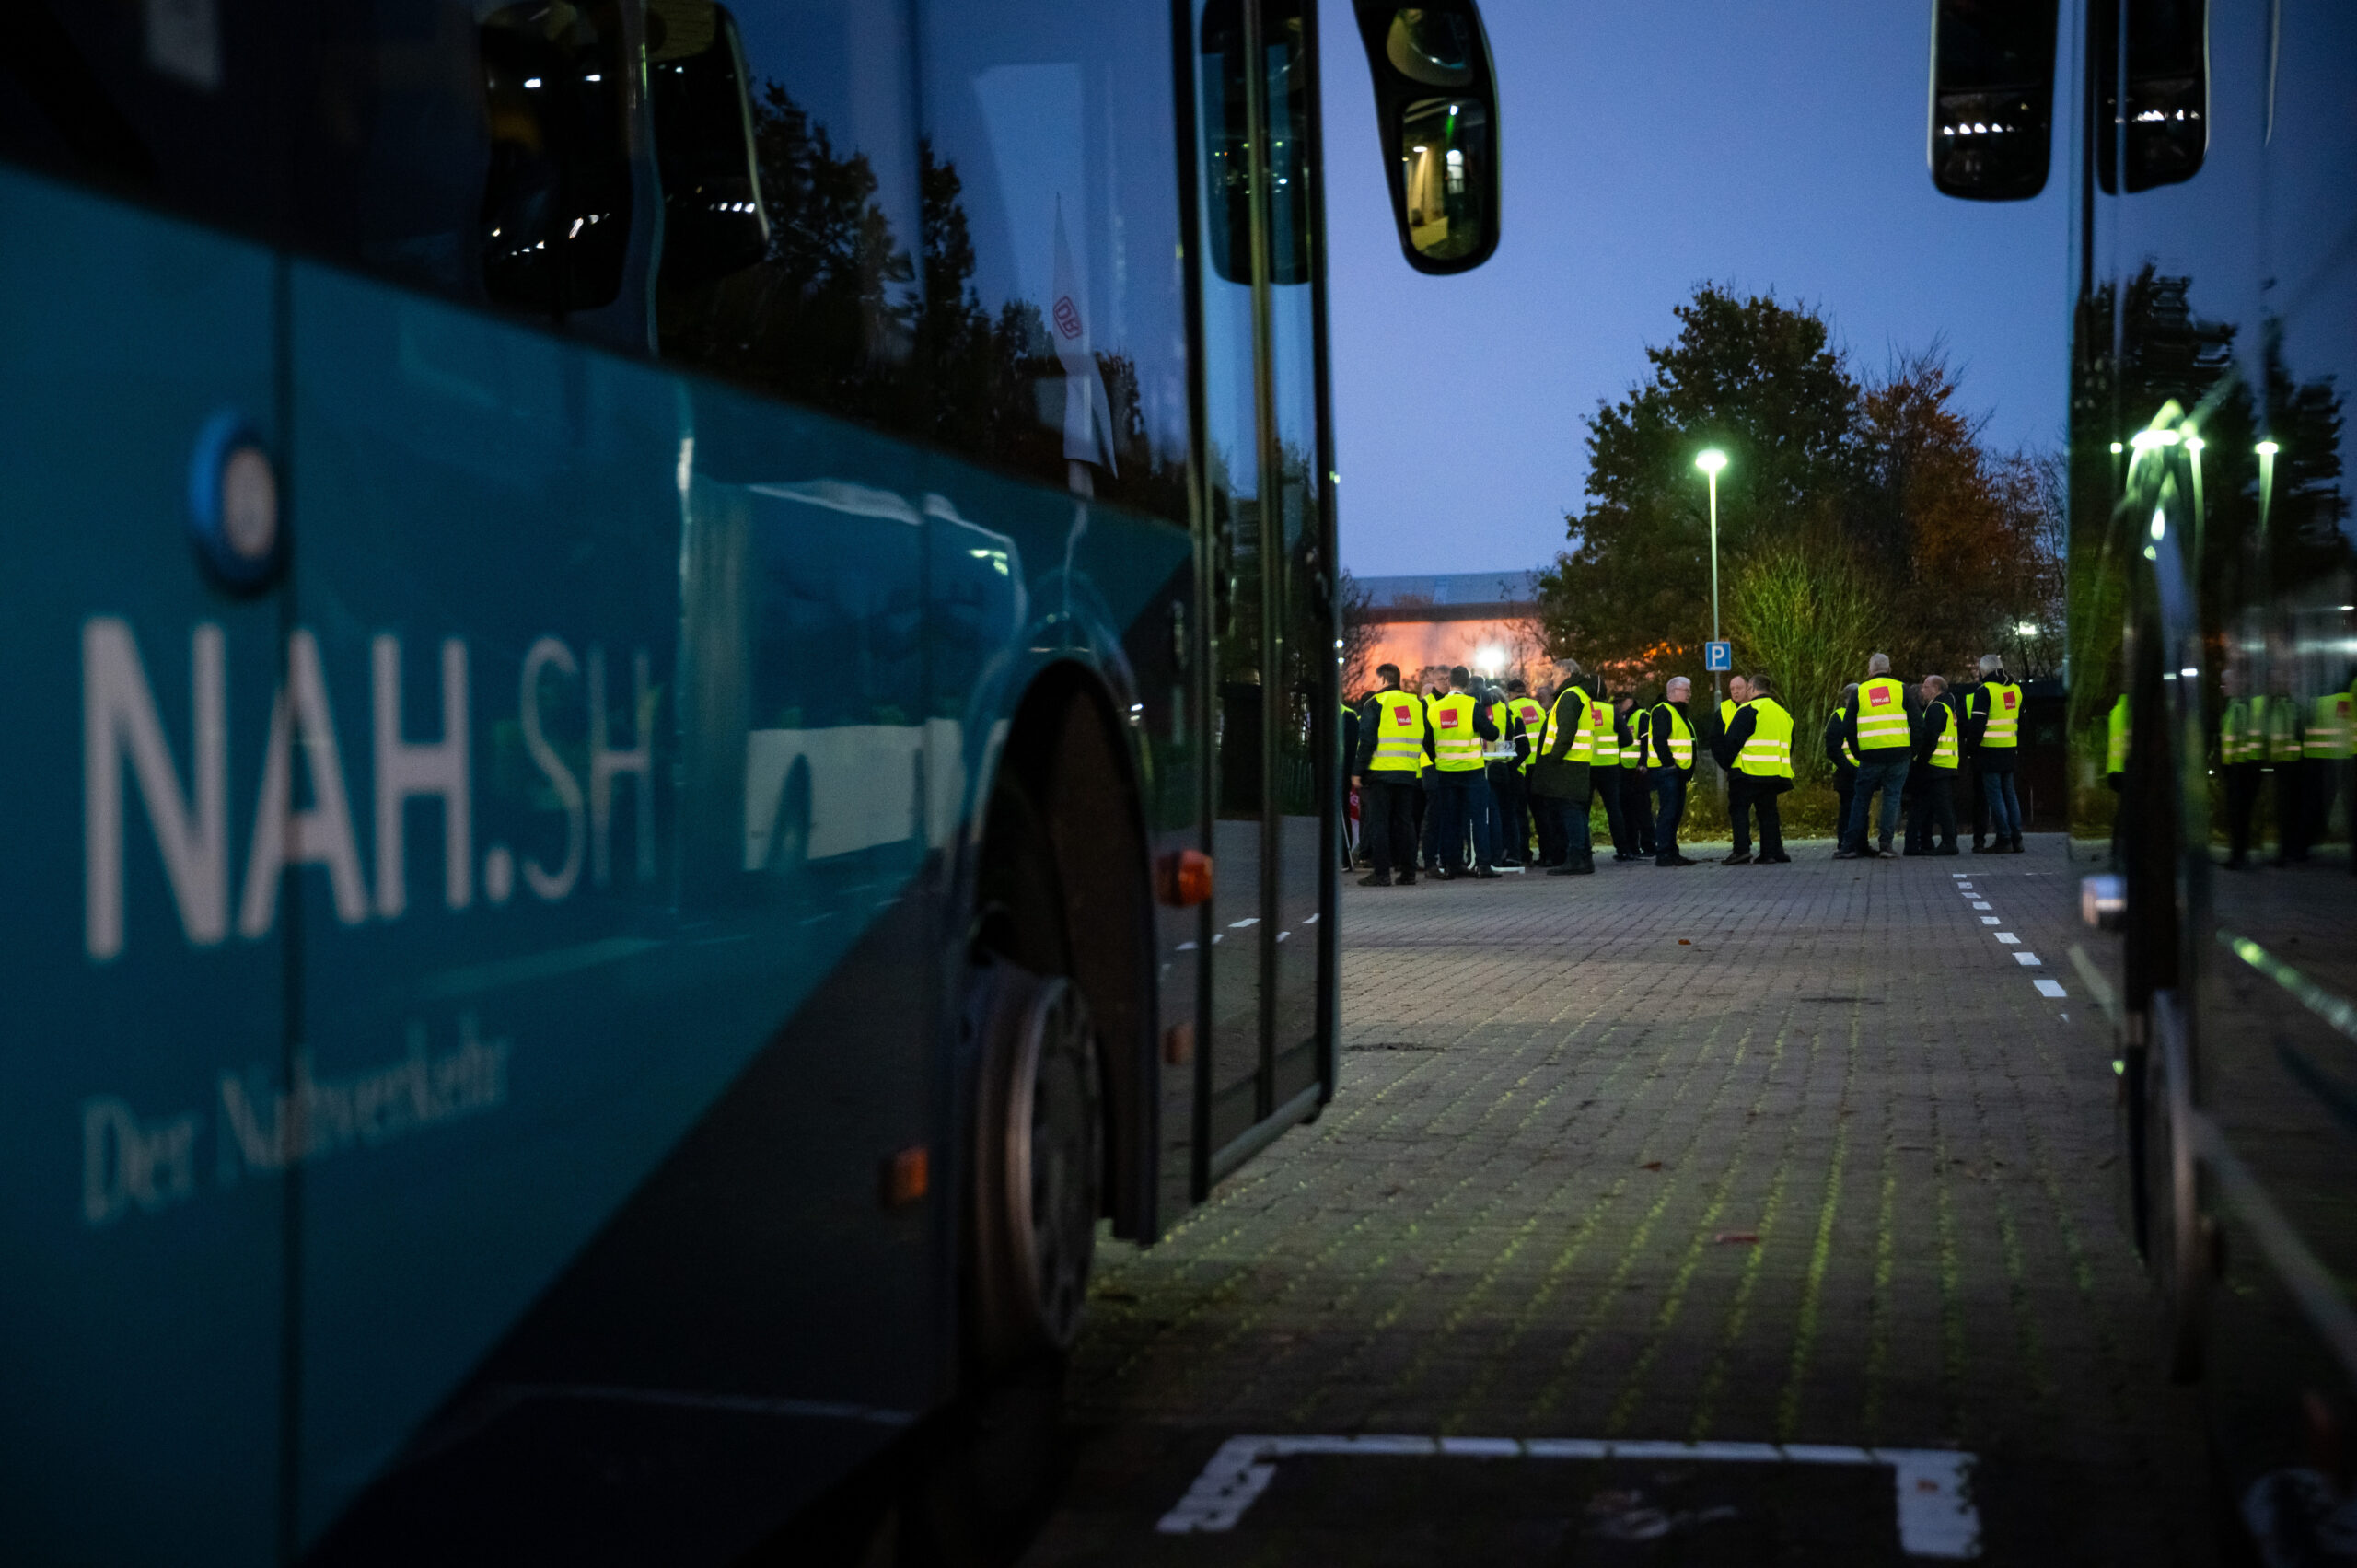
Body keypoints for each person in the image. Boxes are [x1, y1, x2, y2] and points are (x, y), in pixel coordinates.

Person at [1352, 664, 1430, 886]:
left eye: (1376, 680)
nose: (1374, 685)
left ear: (1384, 680)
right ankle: (1408, 873)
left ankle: (1382, 873)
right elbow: (1428, 737)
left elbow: (1367, 740)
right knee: (1406, 823)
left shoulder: (1375, 703)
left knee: (1379, 823)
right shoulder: (1416, 703)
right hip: (1408, 773)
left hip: (1380, 774)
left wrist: (1358, 771)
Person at [1422, 666, 1501, 879]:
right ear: (1467, 684)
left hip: (1445, 772)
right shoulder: (1472, 705)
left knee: (1450, 820)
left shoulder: (1434, 708)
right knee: (1478, 819)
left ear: (1450, 683)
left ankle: (1451, 865)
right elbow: (1491, 733)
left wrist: (1439, 759)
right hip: (1472, 771)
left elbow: (1427, 742)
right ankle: (1483, 865)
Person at [1838, 653, 1912, 860]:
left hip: (1870, 755)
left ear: (1870, 671)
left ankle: (1849, 846)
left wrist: (1857, 752)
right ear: (1889, 669)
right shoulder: (1901, 689)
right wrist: (1911, 750)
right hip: (1898, 754)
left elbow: (1848, 726)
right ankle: (1886, 845)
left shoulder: (1860, 692)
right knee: (1891, 797)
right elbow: (1916, 722)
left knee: (1861, 799)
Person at [1531, 658, 1601, 875]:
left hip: (1566, 764)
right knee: (1578, 812)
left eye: (1555, 674)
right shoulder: (1580, 694)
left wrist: (1554, 757)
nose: (1553, 678)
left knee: (1571, 813)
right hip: (1576, 762)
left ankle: (1575, 858)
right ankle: (1584, 858)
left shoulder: (1569, 696)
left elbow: (1566, 731)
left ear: (1568, 674)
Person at [1966, 653, 2025, 854]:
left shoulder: (1985, 691)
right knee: (2010, 794)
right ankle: (2017, 839)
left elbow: (1978, 725)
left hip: (1989, 751)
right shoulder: (2015, 689)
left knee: (1995, 797)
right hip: (2009, 748)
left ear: (1983, 671)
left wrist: (1970, 748)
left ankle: (2004, 838)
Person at [1905, 674, 1961, 854]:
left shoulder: (1936, 708)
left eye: (1925, 687)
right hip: (1945, 764)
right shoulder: (1947, 708)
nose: (1922, 690)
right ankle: (1926, 842)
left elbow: (1930, 739)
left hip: (1935, 765)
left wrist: (1920, 762)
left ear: (1936, 689)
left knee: (1939, 807)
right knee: (1934, 805)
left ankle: (1948, 843)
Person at [1649, 676, 1700, 866]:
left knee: (1675, 813)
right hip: (1667, 772)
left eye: (1689, 690)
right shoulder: (1664, 710)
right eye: (1686, 690)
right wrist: (1669, 764)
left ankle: (1671, 851)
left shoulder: (1678, 712)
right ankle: (1664, 853)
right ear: (1672, 692)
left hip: (1677, 773)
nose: (1689, 694)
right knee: (1669, 812)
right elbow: (1659, 739)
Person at [1498, 678, 1546, 865]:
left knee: (1519, 813)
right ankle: (1547, 853)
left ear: (1509, 693)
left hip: (1521, 766)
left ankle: (1523, 852)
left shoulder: (1511, 710)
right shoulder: (1538, 709)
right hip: (1539, 765)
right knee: (1541, 812)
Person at [2219, 668, 2261, 869]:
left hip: (2240, 770)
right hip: (2238, 769)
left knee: (2238, 816)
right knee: (2238, 816)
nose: (2223, 688)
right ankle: (2238, 855)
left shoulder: (2238, 708)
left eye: (2226, 684)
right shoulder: (2236, 706)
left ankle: (2238, 856)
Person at [2265, 672, 2307, 865]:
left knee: (2288, 810)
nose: (2275, 685)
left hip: (2289, 764)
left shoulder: (2287, 706)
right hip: (2284, 764)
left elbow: (2297, 734)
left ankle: (2288, 852)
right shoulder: (2283, 706)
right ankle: (2290, 851)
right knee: (2288, 810)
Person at [1599, 694, 1640, 862]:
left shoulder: (1583, 709)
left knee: (1581, 811)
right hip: (1610, 766)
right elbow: (1627, 739)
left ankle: (1583, 850)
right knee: (1615, 810)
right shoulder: (1610, 711)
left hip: (1586, 766)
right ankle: (1623, 849)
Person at [1823, 682, 1860, 860]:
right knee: (1848, 809)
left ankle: (1860, 844)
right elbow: (1832, 748)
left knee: (1861, 809)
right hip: (1846, 772)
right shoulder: (1839, 716)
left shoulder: (1862, 717)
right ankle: (1845, 844)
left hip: (1860, 772)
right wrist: (1849, 767)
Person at [1623, 696, 1656, 858]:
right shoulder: (1622, 717)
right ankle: (1632, 847)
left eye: (1620, 702)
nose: (1617, 705)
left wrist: (1643, 763)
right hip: (1624, 770)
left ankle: (1649, 845)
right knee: (1628, 811)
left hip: (1639, 770)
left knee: (1642, 809)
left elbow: (1646, 742)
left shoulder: (1641, 716)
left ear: (1630, 700)